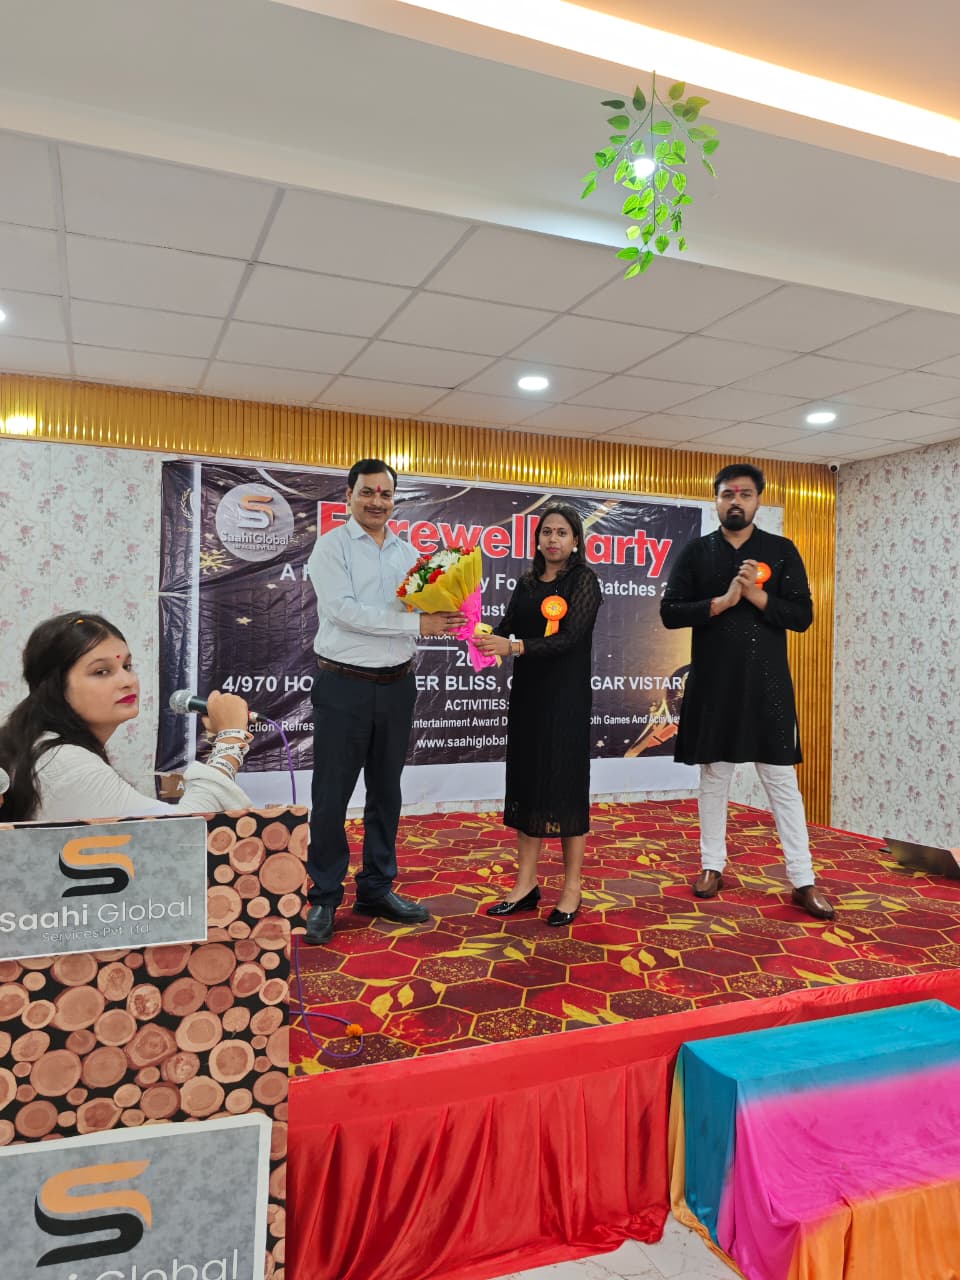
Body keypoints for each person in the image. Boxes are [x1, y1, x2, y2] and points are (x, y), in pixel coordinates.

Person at [660, 464, 835, 920]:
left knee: (781, 782)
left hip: (767, 685)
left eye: (744, 494)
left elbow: (802, 616)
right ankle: (712, 865)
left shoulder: (780, 551)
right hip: (713, 683)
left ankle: (803, 879)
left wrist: (758, 597)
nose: (735, 501)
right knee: (714, 778)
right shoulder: (697, 552)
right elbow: (670, 612)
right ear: (716, 500)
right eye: (727, 494)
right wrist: (721, 603)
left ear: (758, 500)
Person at [304, 458, 466, 946]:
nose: (378, 502)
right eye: (368, 492)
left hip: (396, 686)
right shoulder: (331, 547)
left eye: (386, 494)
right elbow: (344, 613)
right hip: (343, 686)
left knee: (385, 793)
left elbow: (422, 604)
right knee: (331, 796)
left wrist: (451, 608)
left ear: (395, 500)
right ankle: (324, 896)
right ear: (349, 495)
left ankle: (375, 888)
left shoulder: (408, 553)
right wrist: (417, 623)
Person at [475, 503, 602, 926]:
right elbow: (508, 625)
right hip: (528, 698)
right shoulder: (528, 581)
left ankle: (572, 888)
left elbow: (571, 638)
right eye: (546, 532)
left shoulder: (583, 580)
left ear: (576, 540)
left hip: (565, 701)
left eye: (562, 533)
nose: (553, 539)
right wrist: (480, 633)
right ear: (538, 539)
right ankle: (525, 885)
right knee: (526, 788)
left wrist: (515, 647)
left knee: (565, 791)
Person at [0, 612, 252, 822]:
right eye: (101, 671)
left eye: (127, 666)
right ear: (55, 687)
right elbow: (184, 829)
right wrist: (230, 739)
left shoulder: (44, 746)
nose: (127, 681)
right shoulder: (63, 763)